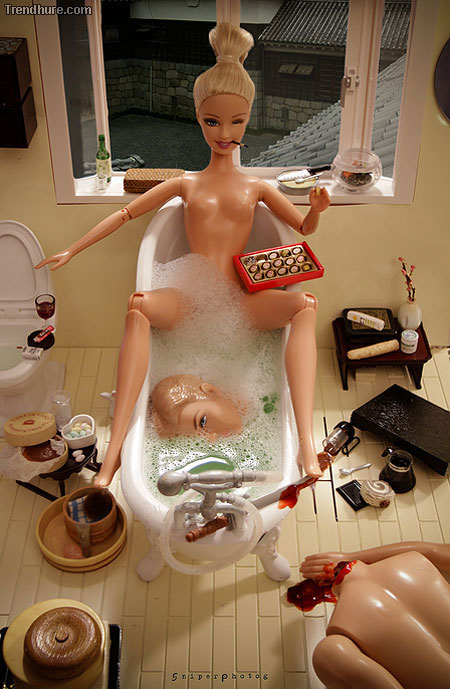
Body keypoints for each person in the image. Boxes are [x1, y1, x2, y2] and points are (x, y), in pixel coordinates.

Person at [35, 23, 330, 486]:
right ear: (198, 118)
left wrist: (314, 210)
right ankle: (115, 453)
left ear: (248, 118)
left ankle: (306, 445)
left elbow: (305, 228)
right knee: (137, 305)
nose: (224, 133)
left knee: (305, 305)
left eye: (236, 122)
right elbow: (126, 214)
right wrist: (72, 248)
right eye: (213, 121)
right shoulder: (185, 184)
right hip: (191, 298)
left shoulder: (257, 187)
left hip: (239, 301)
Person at [297, 542, 450, 689]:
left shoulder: (334, 649)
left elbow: (433, 551)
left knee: (329, 654)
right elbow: (433, 551)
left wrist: (350, 557)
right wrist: (350, 557)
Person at [151, 373, 241, 438]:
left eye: (203, 420)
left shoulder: (242, 405)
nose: (213, 431)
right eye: (201, 430)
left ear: (211, 391)